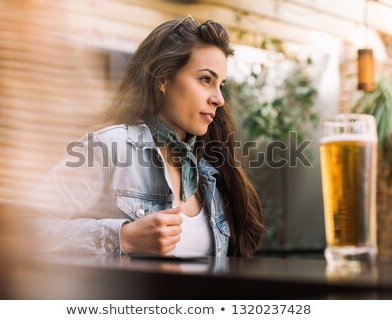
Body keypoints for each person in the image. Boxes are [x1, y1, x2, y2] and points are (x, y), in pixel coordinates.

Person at [30, 16, 264, 258]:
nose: (219, 98)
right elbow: (22, 229)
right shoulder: (109, 148)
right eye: (205, 79)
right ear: (163, 79)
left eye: (220, 85)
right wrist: (123, 237)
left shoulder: (211, 174)